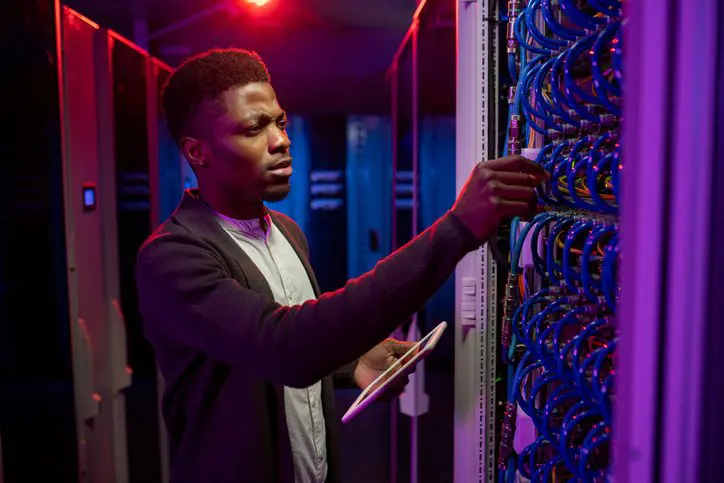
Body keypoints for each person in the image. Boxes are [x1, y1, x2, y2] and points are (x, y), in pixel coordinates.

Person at [135, 48, 547, 483]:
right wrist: (455, 230)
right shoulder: (172, 257)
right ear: (197, 153)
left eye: (280, 121)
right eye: (254, 128)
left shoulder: (287, 232)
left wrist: (353, 366)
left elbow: (260, 351)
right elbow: (283, 347)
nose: (280, 140)